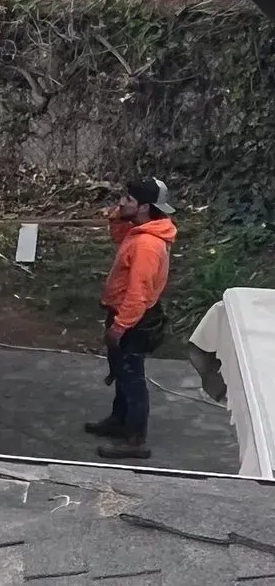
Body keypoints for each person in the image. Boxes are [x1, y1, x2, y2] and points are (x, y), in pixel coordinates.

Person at [84, 174, 176, 460]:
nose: (121, 202)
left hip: (134, 320)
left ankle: (135, 440)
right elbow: (119, 237)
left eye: (128, 200)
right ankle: (118, 421)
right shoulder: (141, 231)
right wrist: (117, 216)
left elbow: (138, 293)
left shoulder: (147, 246)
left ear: (145, 207)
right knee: (122, 373)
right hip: (126, 315)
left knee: (132, 378)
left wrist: (120, 327)